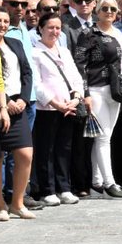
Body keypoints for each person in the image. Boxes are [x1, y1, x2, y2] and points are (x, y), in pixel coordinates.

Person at [73, 0, 122, 199]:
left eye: (113, 9)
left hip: (115, 91)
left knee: (104, 137)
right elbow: (80, 65)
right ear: (98, 11)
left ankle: (96, 181)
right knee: (103, 138)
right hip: (96, 89)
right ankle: (109, 182)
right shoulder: (88, 34)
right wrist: (85, 93)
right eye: (105, 8)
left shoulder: (119, 33)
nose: (109, 12)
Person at [0, 7, 33, 220]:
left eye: (5, 21)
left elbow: (27, 72)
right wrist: (7, 103)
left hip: (19, 106)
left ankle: (17, 202)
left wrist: (22, 98)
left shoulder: (16, 43)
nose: (2, 25)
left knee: (25, 154)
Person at [31, 13, 86, 206]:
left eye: (57, 28)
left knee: (65, 149)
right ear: (41, 29)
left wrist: (77, 97)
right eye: (50, 28)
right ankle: (48, 189)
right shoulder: (34, 53)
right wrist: (55, 104)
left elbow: (76, 78)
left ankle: (64, 187)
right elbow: (36, 85)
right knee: (46, 150)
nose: (54, 31)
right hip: (48, 109)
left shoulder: (65, 51)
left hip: (69, 107)